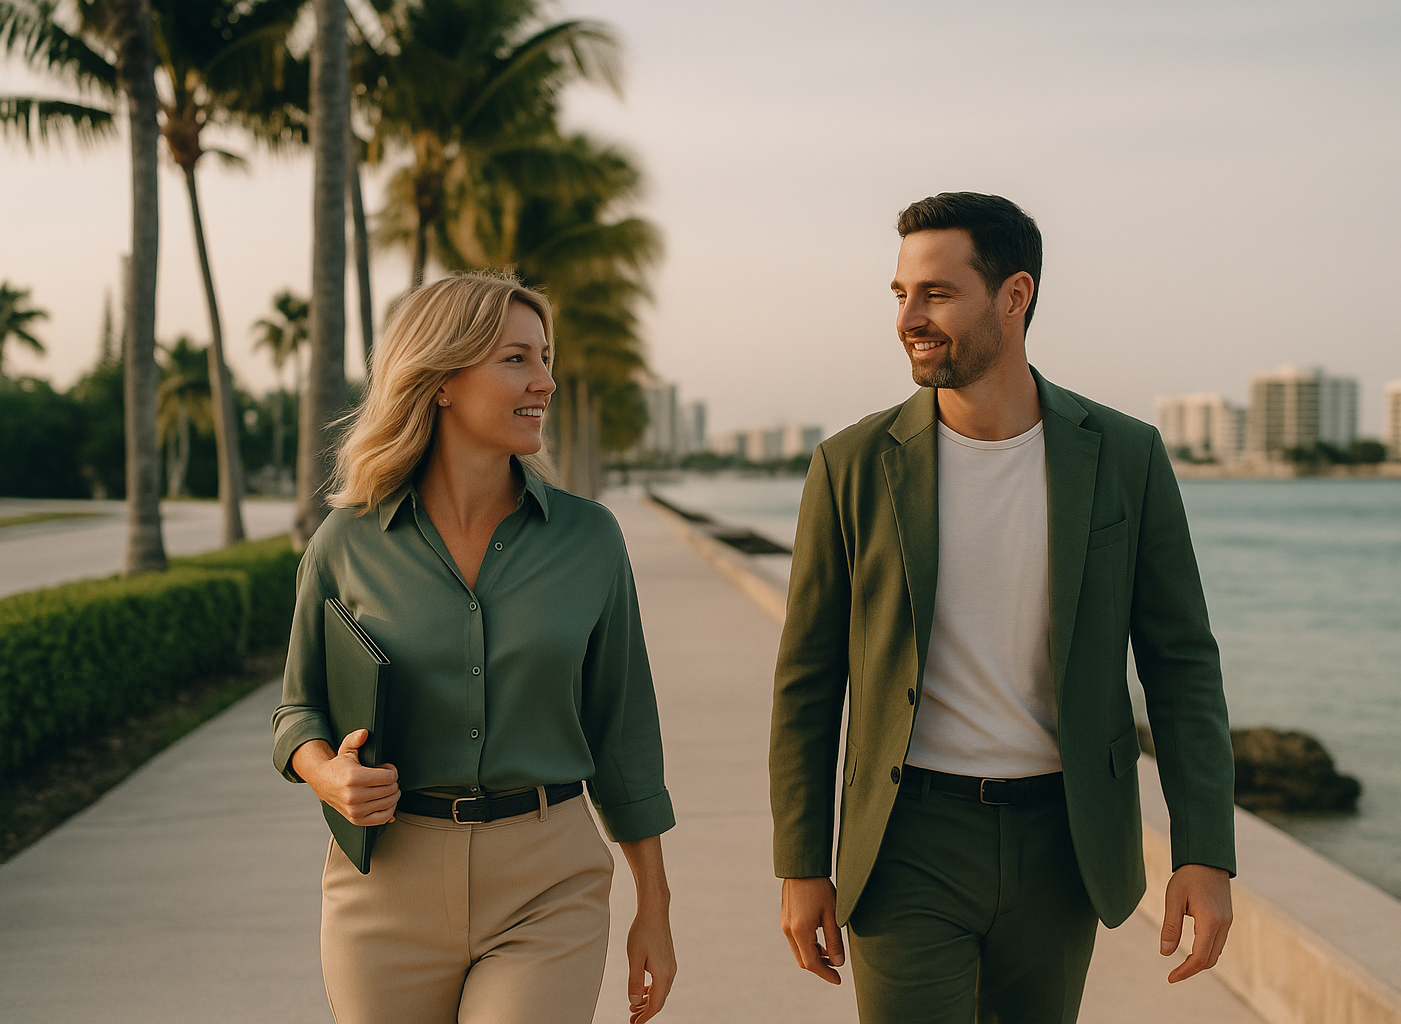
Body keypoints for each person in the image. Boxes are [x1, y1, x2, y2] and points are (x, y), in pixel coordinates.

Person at [770, 192, 1236, 1023]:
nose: (909, 317)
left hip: (1064, 842)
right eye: (900, 294)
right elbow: (808, 678)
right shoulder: (850, 465)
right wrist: (801, 861)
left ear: (1014, 296)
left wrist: (1205, 851)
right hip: (907, 838)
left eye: (937, 294)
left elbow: (1181, 663)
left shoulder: (1126, 456)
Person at [272, 272, 676, 1024]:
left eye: (546, 358)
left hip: (546, 881)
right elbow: (298, 708)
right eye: (517, 359)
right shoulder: (346, 543)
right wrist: (328, 775)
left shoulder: (589, 540)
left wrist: (652, 908)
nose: (546, 381)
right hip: (386, 885)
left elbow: (624, 733)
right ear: (442, 380)